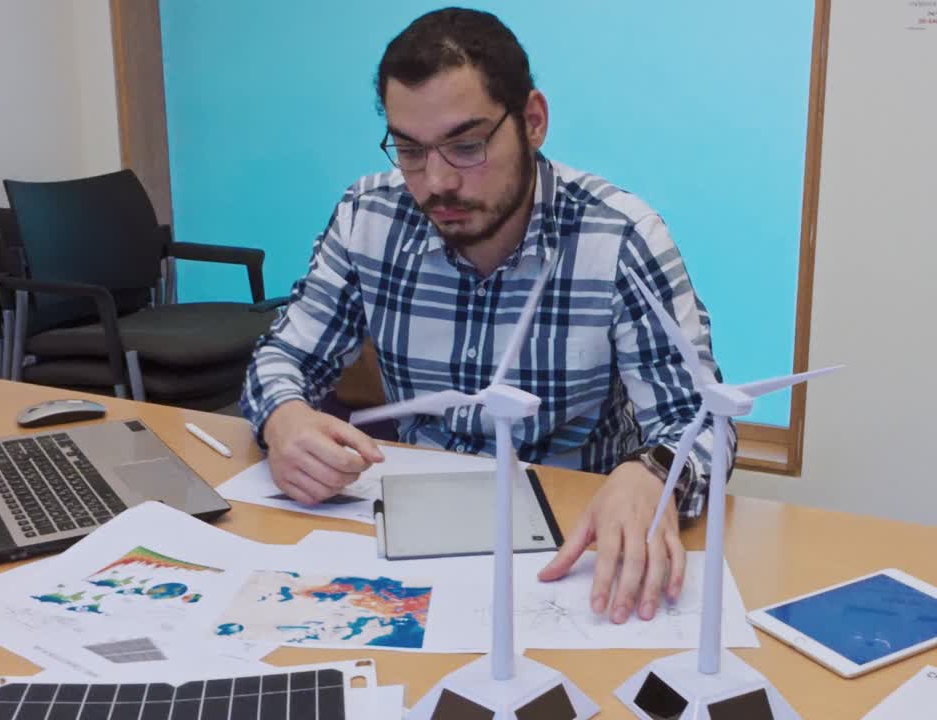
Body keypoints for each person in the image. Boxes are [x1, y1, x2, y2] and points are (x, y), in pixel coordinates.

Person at [241, 7, 734, 626]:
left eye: (466, 146)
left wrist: (651, 474)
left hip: (572, 547)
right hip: (405, 539)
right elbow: (284, 356)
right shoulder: (369, 216)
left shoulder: (620, 237)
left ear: (532, 121)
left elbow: (705, 420)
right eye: (411, 151)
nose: (437, 182)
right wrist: (284, 418)